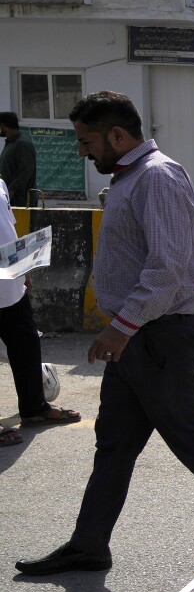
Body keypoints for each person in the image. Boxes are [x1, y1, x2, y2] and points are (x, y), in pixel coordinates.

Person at [17, 91, 194, 576]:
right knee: (115, 441)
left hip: (158, 332)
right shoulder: (131, 176)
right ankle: (89, 543)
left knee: (188, 436)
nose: (82, 151)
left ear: (118, 136)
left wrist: (121, 327)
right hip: (140, 333)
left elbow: (167, 269)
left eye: (87, 141)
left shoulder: (156, 177)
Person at [0, 176, 72, 449]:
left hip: (7, 276)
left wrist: (24, 269)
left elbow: (8, 229)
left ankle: (33, 408)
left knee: (26, 341)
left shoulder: (1, 183)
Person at [0, 111, 36, 205]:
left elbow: (25, 171)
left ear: (3, 125)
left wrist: (11, 191)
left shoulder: (23, 144)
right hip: (9, 200)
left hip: (21, 201)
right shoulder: (11, 143)